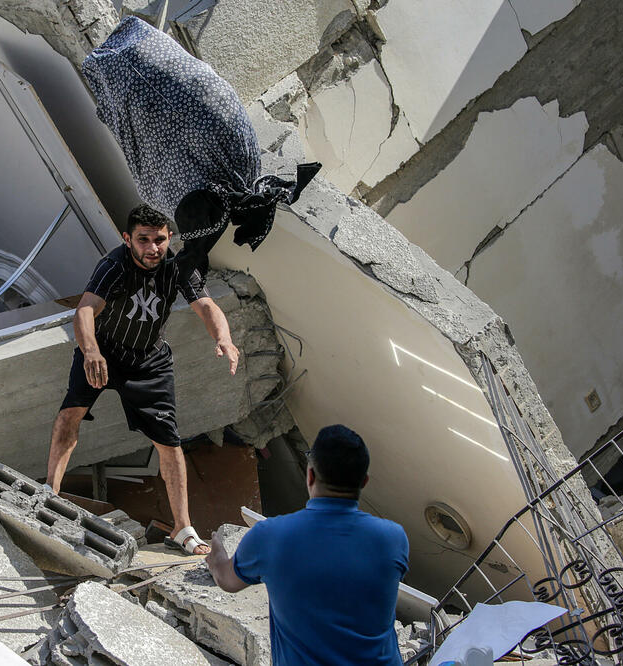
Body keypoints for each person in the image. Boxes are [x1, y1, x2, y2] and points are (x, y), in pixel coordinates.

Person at [45, 204, 240, 556]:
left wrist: (223, 338)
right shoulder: (114, 265)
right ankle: (50, 494)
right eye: (143, 240)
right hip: (103, 352)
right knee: (70, 414)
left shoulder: (176, 266)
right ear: (127, 239)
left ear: (169, 237)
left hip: (149, 361)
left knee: (169, 444)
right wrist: (90, 351)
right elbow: (85, 309)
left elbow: (206, 306)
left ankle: (183, 528)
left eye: (159, 240)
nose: (153, 248)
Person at [205, 425, 408, 665]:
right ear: (363, 482)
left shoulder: (270, 536)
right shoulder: (393, 538)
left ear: (310, 476)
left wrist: (216, 556)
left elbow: (227, 581)